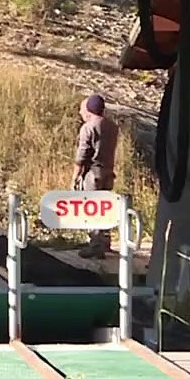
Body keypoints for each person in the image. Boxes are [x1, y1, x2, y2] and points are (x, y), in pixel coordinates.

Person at [73, 94, 119, 258]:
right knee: (106, 208)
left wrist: (75, 177)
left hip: (93, 172)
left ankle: (95, 245)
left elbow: (82, 156)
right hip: (109, 171)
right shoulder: (112, 126)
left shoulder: (88, 127)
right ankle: (105, 241)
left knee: (92, 209)